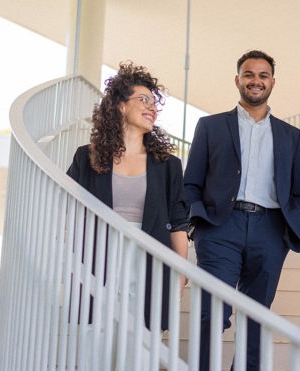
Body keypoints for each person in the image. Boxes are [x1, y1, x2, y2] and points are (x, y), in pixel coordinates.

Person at [183, 50, 300, 371]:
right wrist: (198, 224)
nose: (256, 81)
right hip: (220, 227)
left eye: (263, 75)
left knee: (256, 315)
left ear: (272, 82)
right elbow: (191, 182)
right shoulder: (210, 126)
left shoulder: (290, 136)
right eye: (249, 75)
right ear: (237, 79)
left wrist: (288, 230)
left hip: (270, 229)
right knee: (212, 310)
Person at [66, 61, 189, 360]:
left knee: (141, 349)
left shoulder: (168, 165)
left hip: (149, 260)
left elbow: (179, 221)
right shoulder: (87, 158)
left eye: (154, 103)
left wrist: (181, 271)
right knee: (94, 346)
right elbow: (67, 210)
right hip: (98, 258)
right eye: (143, 100)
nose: (152, 108)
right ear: (120, 106)